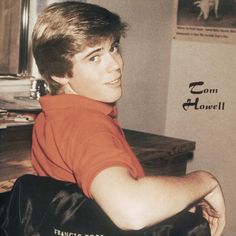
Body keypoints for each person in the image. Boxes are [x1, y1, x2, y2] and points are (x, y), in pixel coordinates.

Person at [31, 1, 225, 236]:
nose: (115, 64)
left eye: (113, 47)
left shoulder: (54, 115)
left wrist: (177, 195)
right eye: (94, 57)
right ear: (58, 73)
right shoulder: (86, 126)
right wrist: (205, 181)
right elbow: (130, 210)